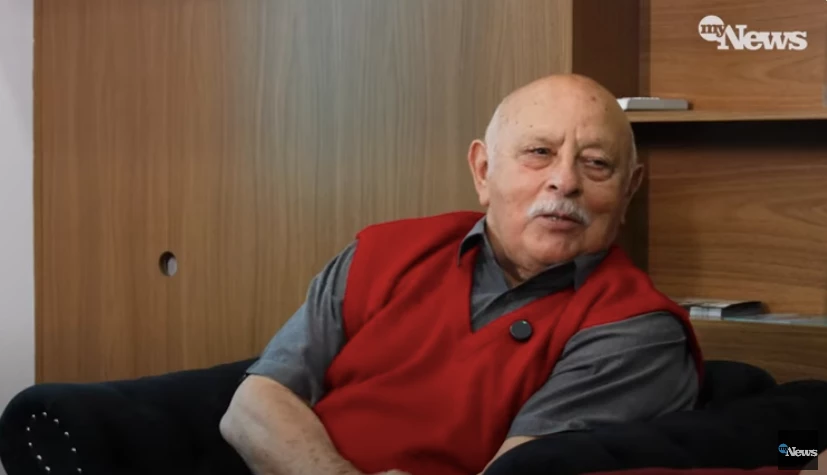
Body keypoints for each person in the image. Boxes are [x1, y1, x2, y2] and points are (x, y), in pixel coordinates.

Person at [219, 73, 704, 475]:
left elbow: (523, 470)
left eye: (596, 163)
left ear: (628, 191)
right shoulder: (383, 252)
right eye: (539, 153)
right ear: (482, 170)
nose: (564, 181)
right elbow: (253, 405)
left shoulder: (637, 329)